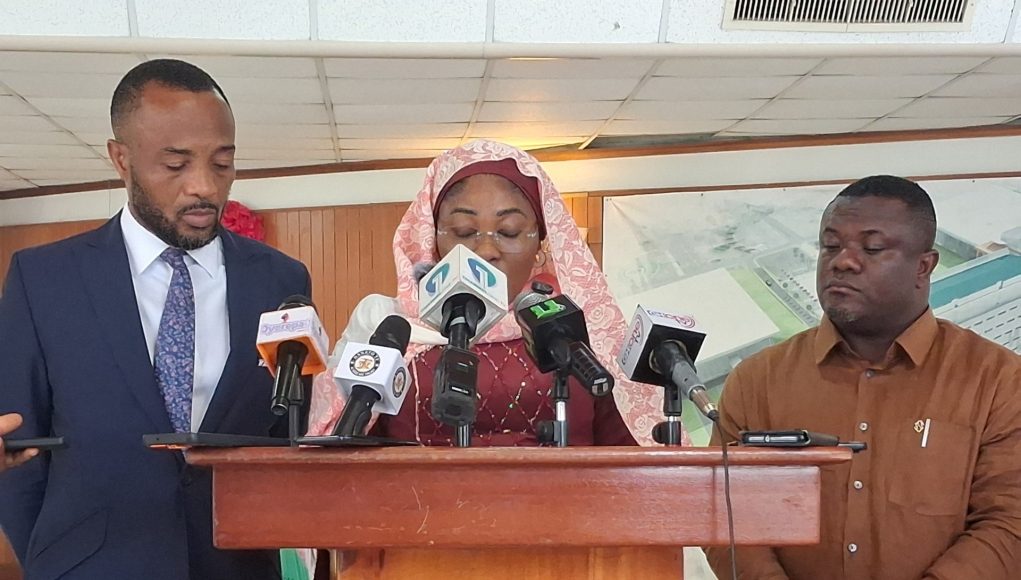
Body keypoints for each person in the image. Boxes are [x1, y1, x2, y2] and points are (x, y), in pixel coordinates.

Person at [0, 59, 310, 580]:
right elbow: (17, 450)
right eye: (175, 165)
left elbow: (283, 435)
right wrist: (53, 563)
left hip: (234, 566)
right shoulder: (44, 280)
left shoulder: (280, 281)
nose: (204, 187)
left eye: (222, 163)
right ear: (121, 159)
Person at [707, 175, 1021, 579]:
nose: (843, 262)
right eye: (830, 245)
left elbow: (1009, 522)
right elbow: (725, 512)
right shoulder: (756, 381)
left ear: (923, 267)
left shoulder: (998, 381)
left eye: (871, 248)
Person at [306, 139, 673, 447]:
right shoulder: (389, 326)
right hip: (417, 511)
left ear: (541, 248)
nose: (484, 250)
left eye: (508, 231)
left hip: (570, 511)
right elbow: (338, 449)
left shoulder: (583, 329)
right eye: (464, 232)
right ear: (433, 243)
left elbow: (637, 459)